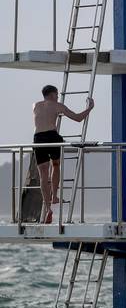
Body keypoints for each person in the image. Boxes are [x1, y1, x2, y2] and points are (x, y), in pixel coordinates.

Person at [33, 85, 94, 224]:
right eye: (57, 94)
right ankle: (55, 196)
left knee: (43, 174)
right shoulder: (57, 105)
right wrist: (90, 108)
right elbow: (78, 118)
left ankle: (48, 208)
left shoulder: (35, 105)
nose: (58, 97)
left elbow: (43, 115)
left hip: (38, 138)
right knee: (55, 165)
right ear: (53, 94)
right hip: (51, 136)